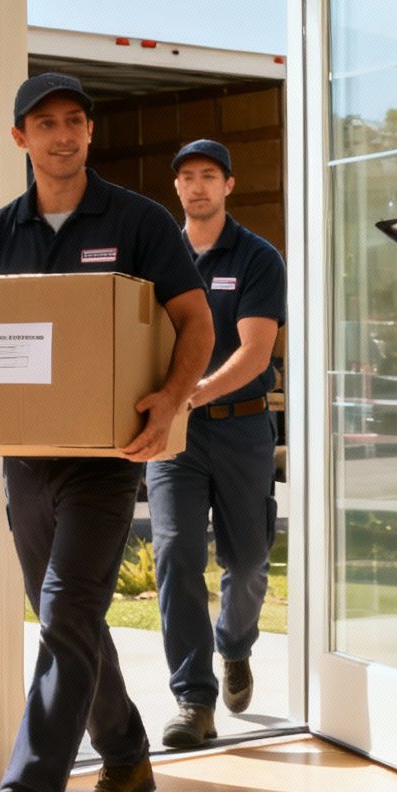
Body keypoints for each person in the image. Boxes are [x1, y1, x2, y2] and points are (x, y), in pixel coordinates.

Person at [0, 71, 213, 792]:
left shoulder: (138, 222)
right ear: (21, 138)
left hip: (108, 460)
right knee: (65, 619)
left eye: (76, 120)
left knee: (68, 611)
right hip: (26, 463)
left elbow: (195, 321)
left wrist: (171, 400)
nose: (64, 134)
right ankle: (127, 756)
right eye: (46, 124)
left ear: (90, 132)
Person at [146, 139, 287, 748]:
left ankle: (234, 644)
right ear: (176, 187)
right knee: (176, 553)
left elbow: (255, 353)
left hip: (241, 426)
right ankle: (193, 699)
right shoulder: (157, 259)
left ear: (228, 185)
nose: (197, 185)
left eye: (209, 175)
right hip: (175, 434)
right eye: (187, 176)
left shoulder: (256, 257)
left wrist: (190, 392)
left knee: (248, 560)